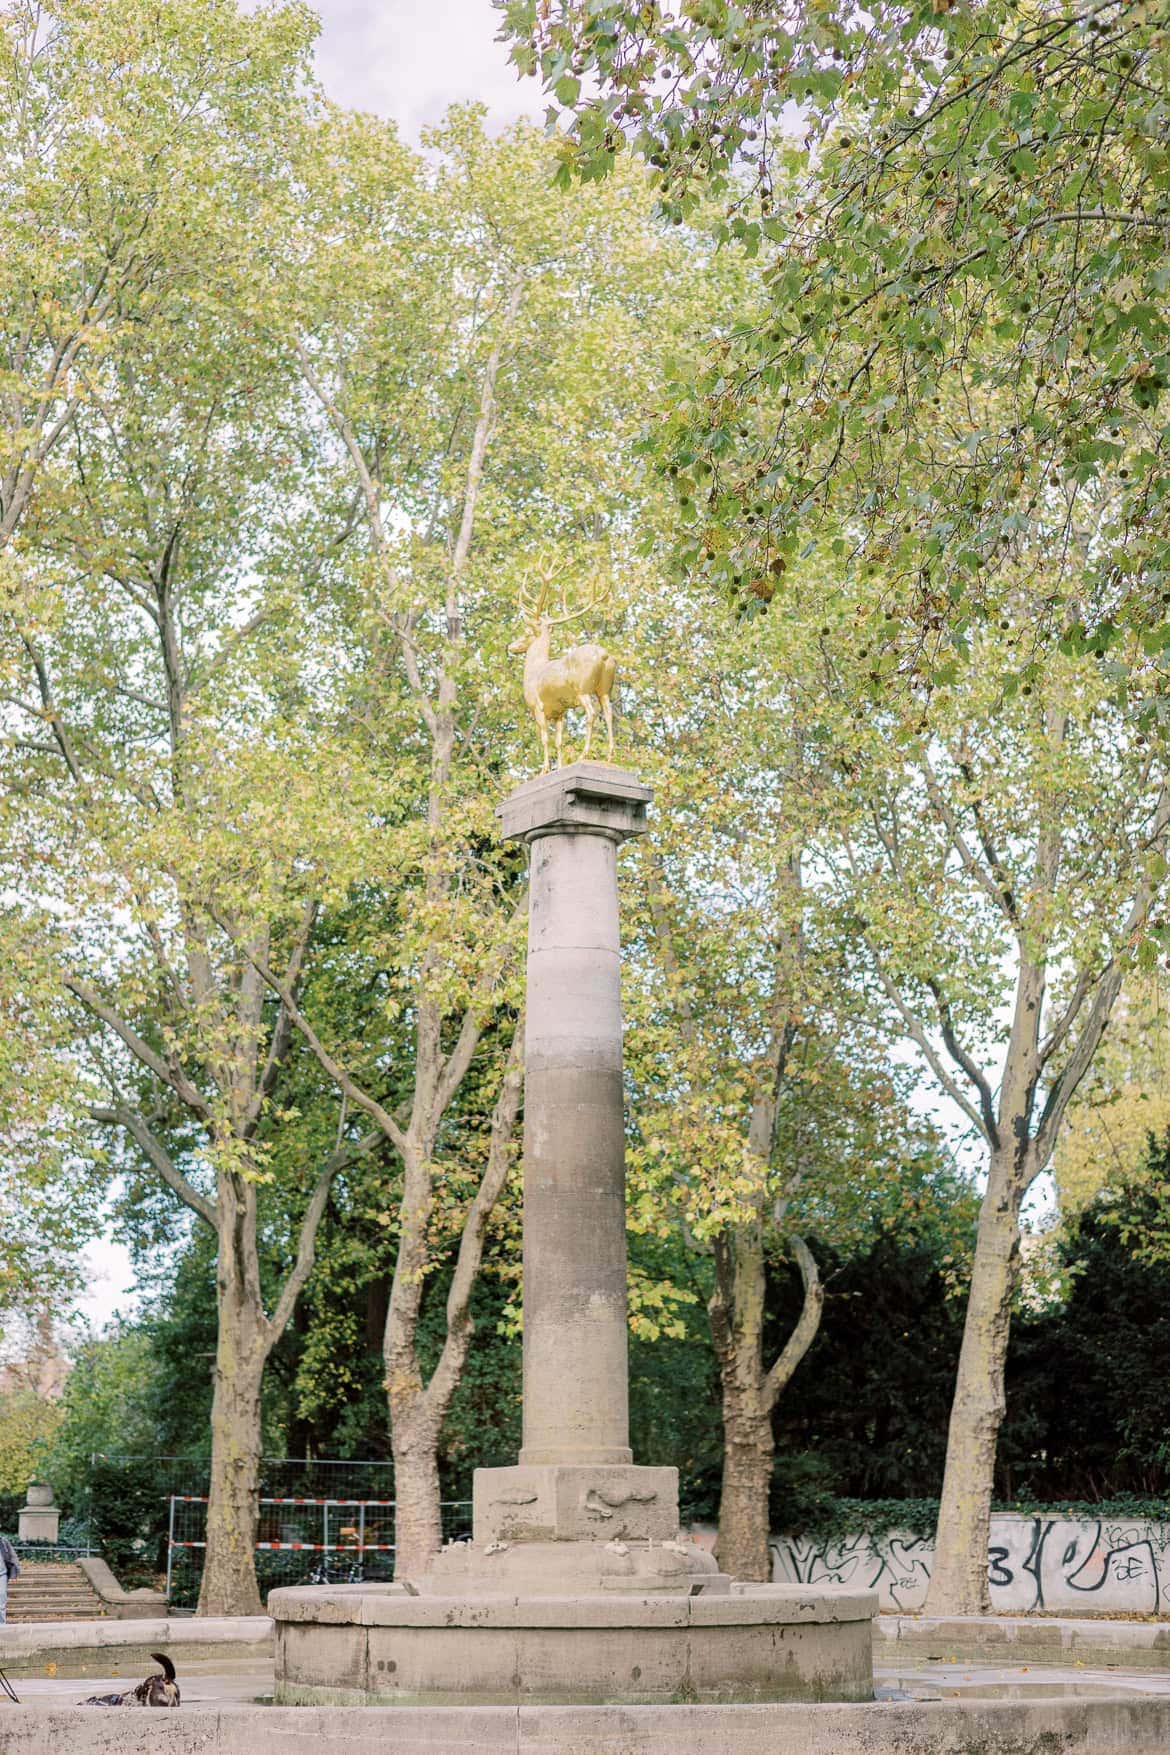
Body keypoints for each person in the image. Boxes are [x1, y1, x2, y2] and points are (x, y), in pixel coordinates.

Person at [0, 1535, 19, 1623]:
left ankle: (2, 1626)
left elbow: (13, 1557)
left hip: (2, 1575)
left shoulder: (3, 1541)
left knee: (1, 1598)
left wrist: (14, 1574)